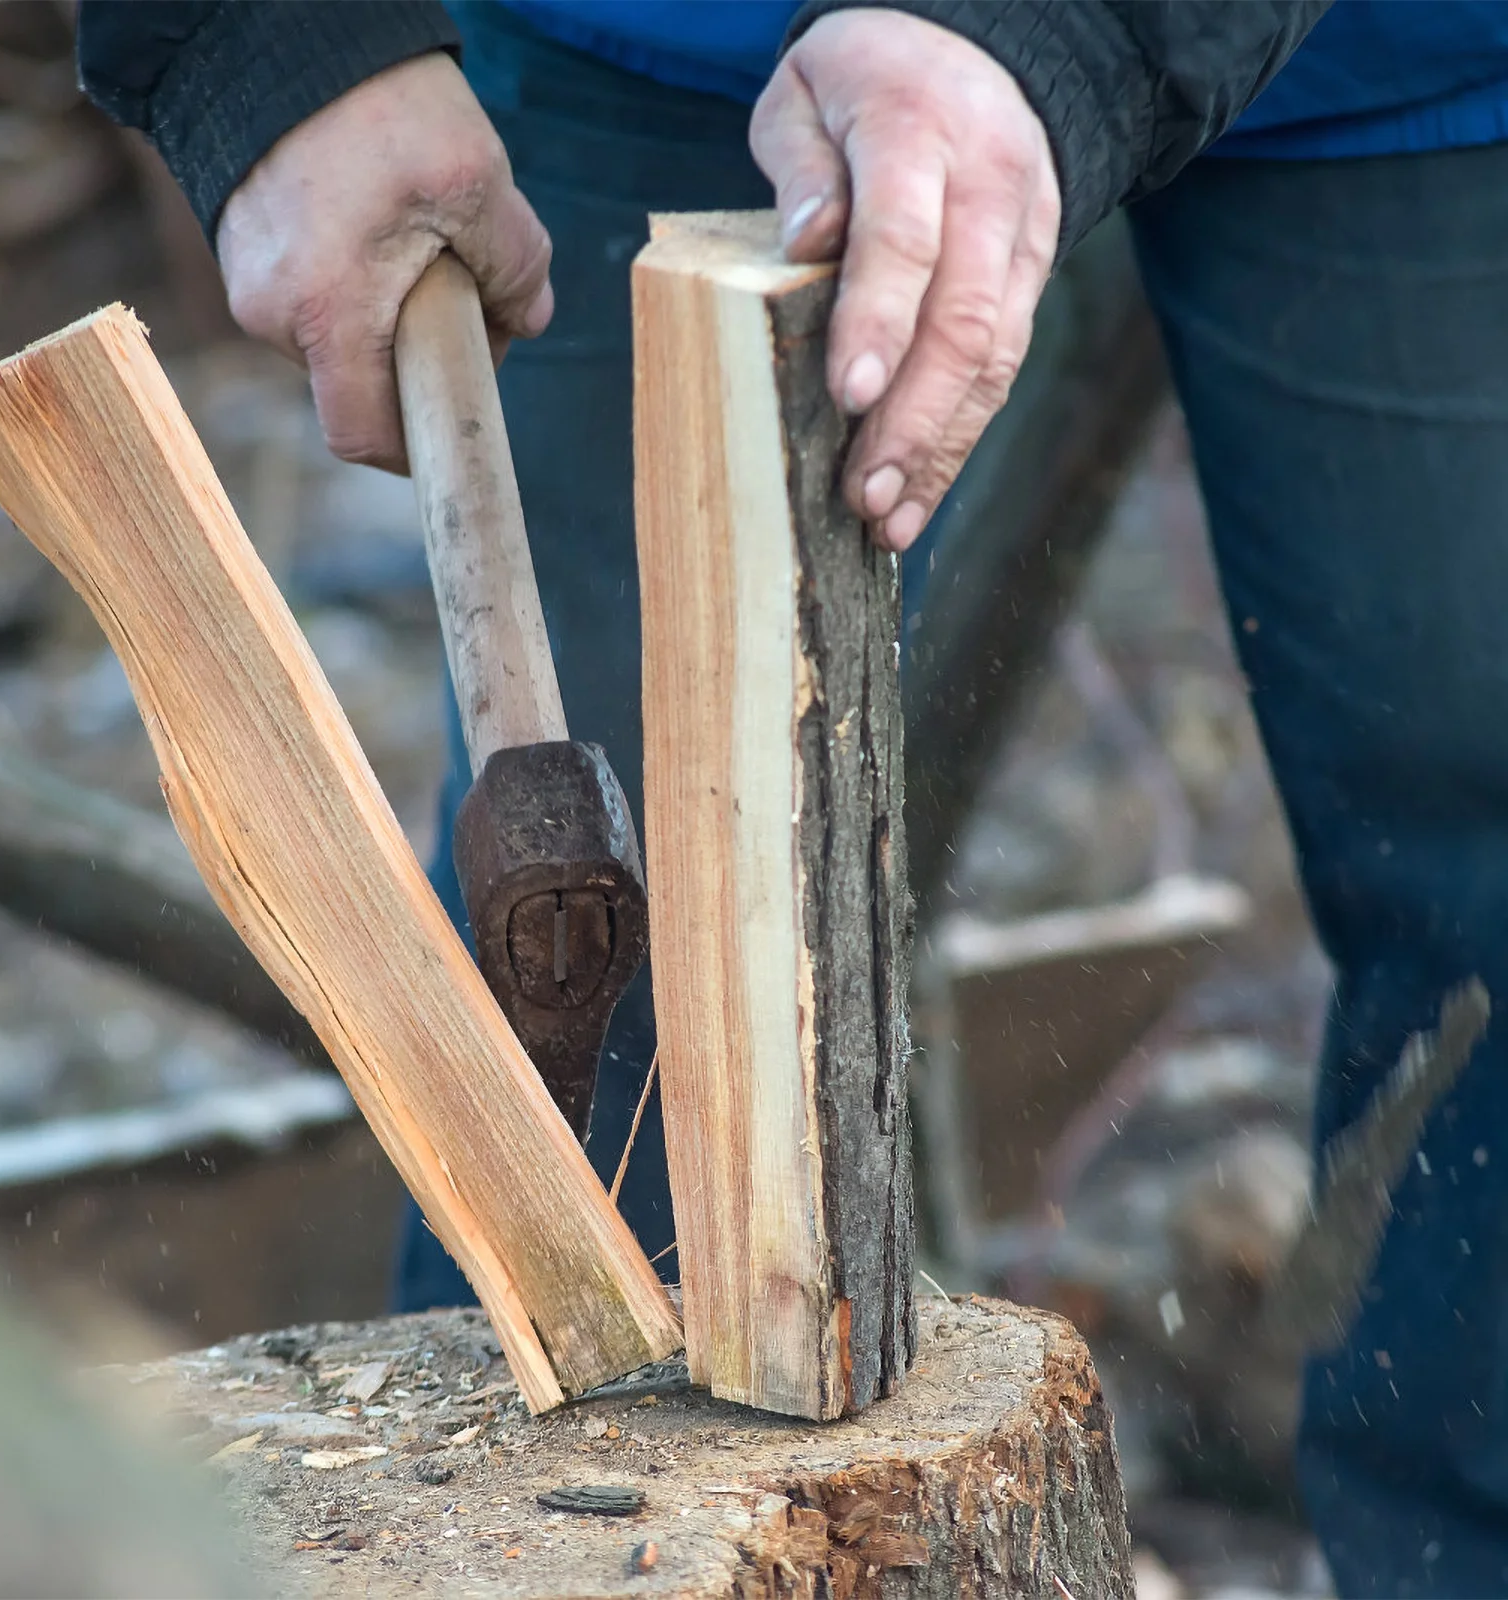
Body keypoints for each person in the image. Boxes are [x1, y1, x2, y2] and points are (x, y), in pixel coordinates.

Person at [78, 3, 1508, 1593]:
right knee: (638, 996)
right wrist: (272, 43)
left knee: (1489, 875)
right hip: (659, 42)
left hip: (1413, 65)